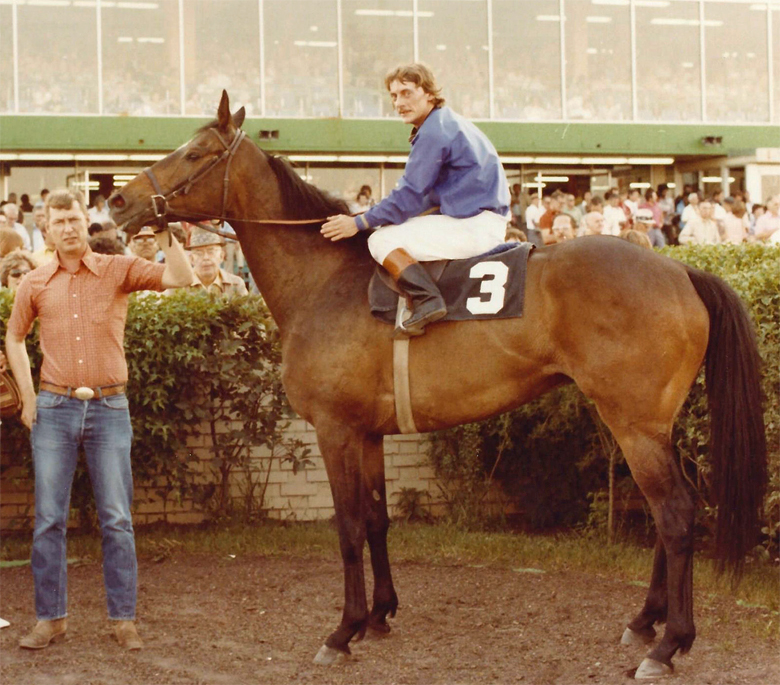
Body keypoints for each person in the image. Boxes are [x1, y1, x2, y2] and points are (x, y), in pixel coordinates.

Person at [5, 188, 194, 652]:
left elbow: (181, 278)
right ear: (46, 229)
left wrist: (165, 233)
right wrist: (28, 398)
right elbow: (14, 338)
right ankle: (50, 620)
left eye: (73, 219)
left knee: (117, 519)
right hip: (54, 409)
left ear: (84, 222)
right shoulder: (35, 282)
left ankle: (123, 620)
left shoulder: (117, 269)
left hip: (110, 409)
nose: (67, 228)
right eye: (58, 222)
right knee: (49, 520)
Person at [320, 62, 509, 337]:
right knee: (388, 229)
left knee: (380, 240)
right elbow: (421, 200)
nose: (399, 103)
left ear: (429, 93)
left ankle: (427, 300)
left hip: (474, 226)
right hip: (480, 222)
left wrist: (359, 223)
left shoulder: (434, 131)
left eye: (407, 93)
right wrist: (370, 217)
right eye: (394, 96)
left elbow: (409, 196)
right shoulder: (446, 122)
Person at [185, 227, 248, 296]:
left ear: (221, 256)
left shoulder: (236, 284)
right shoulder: (182, 286)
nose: (206, 257)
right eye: (199, 253)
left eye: (211, 252)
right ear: (191, 259)